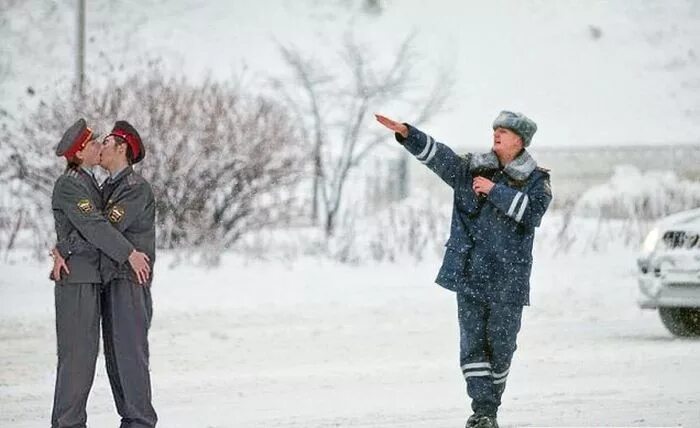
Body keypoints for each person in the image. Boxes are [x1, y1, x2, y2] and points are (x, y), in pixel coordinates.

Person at [376, 111, 552, 428]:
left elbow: (533, 212)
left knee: (501, 348)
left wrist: (494, 190)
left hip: (507, 280)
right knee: (472, 348)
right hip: (470, 273)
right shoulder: (471, 169)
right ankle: (483, 411)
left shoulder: (537, 180)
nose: (496, 134)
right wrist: (408, 134)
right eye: (495, 129)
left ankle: (489, 408)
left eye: (504, 131)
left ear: (520, 140)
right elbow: (440, 157)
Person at [50, 118, 152, 428]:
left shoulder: (132, 187)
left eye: (104, 142)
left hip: (125, 282)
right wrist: (65, 248)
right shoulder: (83, 184)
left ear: (121, 149)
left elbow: (101, 225)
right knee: (84, 360)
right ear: (80, 152)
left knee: (127, 358)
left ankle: (138, 422)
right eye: (95, 143)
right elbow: (94, 226)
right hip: (93, 281)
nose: (100, 147)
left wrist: (65, 247)